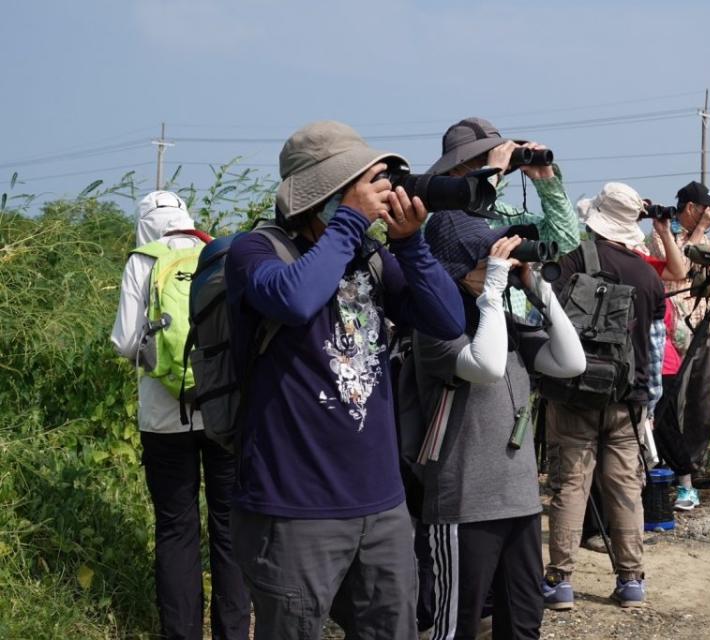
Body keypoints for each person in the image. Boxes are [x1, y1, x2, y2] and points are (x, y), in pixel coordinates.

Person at [224, 121, 465, 639]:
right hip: (292, 510)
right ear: (321, 193)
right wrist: (350, 222)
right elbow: (294, 299)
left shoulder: (371, 258)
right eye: (358, 183)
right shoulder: (255, 252)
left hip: (382, 506)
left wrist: (412, 245)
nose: (374, 193)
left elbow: (448, 321)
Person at [416, 210, 585, 639]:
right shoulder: (434, 329)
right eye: (486, 258)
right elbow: (487, 366)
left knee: (524, 625)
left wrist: (538, 289)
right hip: (464, 505)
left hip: (521, 502)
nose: (502, 266)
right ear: (455, 266)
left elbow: (571, 362)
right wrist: (492, 290)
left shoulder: (503, 324)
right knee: (457, 628)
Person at [110, 191, 250, 640]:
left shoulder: (142, 261)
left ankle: (182, 633)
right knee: (229, 526)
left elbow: (125, 342)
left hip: (164, 418)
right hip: (223, 411)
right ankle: (232, 631)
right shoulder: (216, 254)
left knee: (176, 527)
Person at [541, 182, 666, 610]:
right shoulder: (648, 276)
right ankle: (631, 581)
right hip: (625, 400)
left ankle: (560, 582)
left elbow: (548, 319)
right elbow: (653, 344)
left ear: (595, 221)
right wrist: (645, 403)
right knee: (625, 487)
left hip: (575, 392)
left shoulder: (573, 261)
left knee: (570, 485)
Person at [428, 117, 581, 316]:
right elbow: (465, 216)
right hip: (464, 333)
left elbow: (565, 240)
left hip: (511, 332)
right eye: (481, 159)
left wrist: (547, 182)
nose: (495, 165)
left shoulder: (505, 215)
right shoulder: (443, 219)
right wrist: (492, 173)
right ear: (455, 170)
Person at [649, 181, 710, 510]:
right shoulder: (662, 235)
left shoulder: (703, 233)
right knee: (676, 403)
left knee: (704, 400)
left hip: (708, 324)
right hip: (678, 330)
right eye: (705, 210)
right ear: (690, 209)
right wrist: (700, 231)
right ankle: (672, 467)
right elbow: (679, 272)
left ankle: (694, 467)